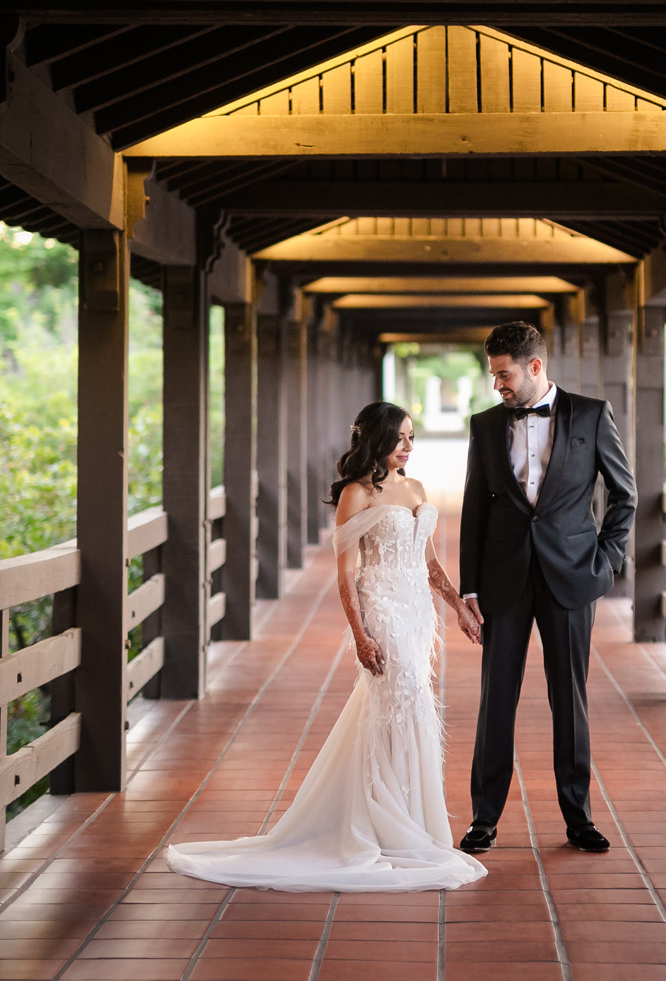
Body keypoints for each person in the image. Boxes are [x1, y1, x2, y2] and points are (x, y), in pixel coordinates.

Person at [164, 401, 488, 892]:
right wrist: (360, 634)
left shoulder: (417, 489)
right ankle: (382, 821)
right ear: (375, 440)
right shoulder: (357, 494)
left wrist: (458, 606)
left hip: (417, 613)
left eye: (412, 437)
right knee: (399, 702)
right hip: (380, 608)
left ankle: (409, 819)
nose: (408, 447)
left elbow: (429, 563)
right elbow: (346, 574)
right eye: (399, 438)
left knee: (412, 707)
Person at [459, 321, 635, 856]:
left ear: (535, 367)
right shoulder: (485, 426)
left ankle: (578, 817)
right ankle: (483, 820)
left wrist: (605, 561)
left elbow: (623, 495)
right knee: (496, 702)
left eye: (504, 374)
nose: (498, 385)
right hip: (502, 583)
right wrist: (468, 589)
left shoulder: (590, 414)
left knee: (570, 700)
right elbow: (473, 512)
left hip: (571, 577)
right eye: (493, 375)